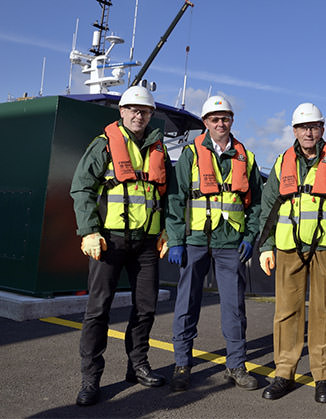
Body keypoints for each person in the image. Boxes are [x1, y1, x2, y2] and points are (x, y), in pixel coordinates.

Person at [70, 85, 171, 406]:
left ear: (151, 115)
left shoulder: (159, 149)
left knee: (146, 307)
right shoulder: (103, 146)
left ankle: (137, 365)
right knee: (98, 309)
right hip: (109, 240)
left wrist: (167, 231)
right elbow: (82, 188)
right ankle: (91, 378)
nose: (139, 115)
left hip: (146, 243)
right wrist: (88, 231)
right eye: (133, 110)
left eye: (145, 111)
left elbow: (167, 195)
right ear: (122, 112)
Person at [164, 96, 263, 392]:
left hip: (230, 243)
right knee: (186, 303)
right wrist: (176, 240)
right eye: (215, 119)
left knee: (234, 307)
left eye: (226, 118)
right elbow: (175, 198)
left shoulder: (246, 156)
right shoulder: (190, 155)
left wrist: (249, 236)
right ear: (206, 122)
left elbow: (255, 203)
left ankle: (236, 364)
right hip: (194, 242)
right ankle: (182, 364)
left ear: (232, 120)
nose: (221, 123)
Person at [257, 103, 326, 404]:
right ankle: (284, 372)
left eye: (314, 126)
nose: (308, 132)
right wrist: (266, 246)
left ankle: (323, 376)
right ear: (294, 130)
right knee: (286, 311)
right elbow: (268, 206)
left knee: (325, 312)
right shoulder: (281, 162)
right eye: (303, 127)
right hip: (288, 246)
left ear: (322, 129)